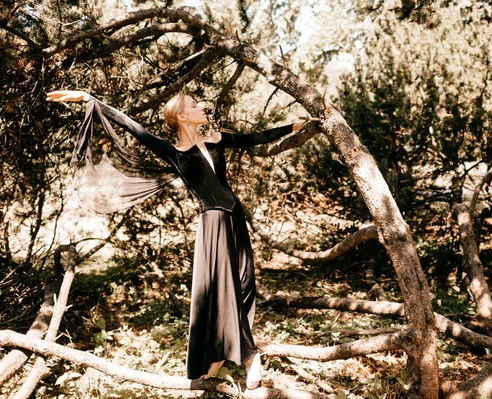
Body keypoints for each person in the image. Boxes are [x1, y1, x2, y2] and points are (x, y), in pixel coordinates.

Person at [46, 90, 313, 389]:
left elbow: (255, 137)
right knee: (221, 290)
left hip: (235, 218)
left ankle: (221, 355)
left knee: (244, 282)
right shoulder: (173, 151)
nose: (203, 106)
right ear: (182, 116)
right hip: (213, 222)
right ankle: (248, 358)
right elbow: (132, 126)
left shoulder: (217, 139)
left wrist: (293, 128)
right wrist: (89, 99)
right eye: (195, 105)